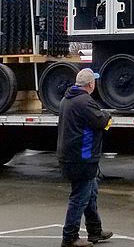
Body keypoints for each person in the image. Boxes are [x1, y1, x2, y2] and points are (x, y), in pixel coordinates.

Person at [57, 68, 114, 247]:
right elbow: (101, 121)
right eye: (94, 82)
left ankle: (95, 230)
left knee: (91, 193)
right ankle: (70, 237)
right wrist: (107, 115)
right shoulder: (84, 102)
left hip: (71, 156)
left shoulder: (66, 100)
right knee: (80, 197)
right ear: (91, 84)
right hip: (82, 157)